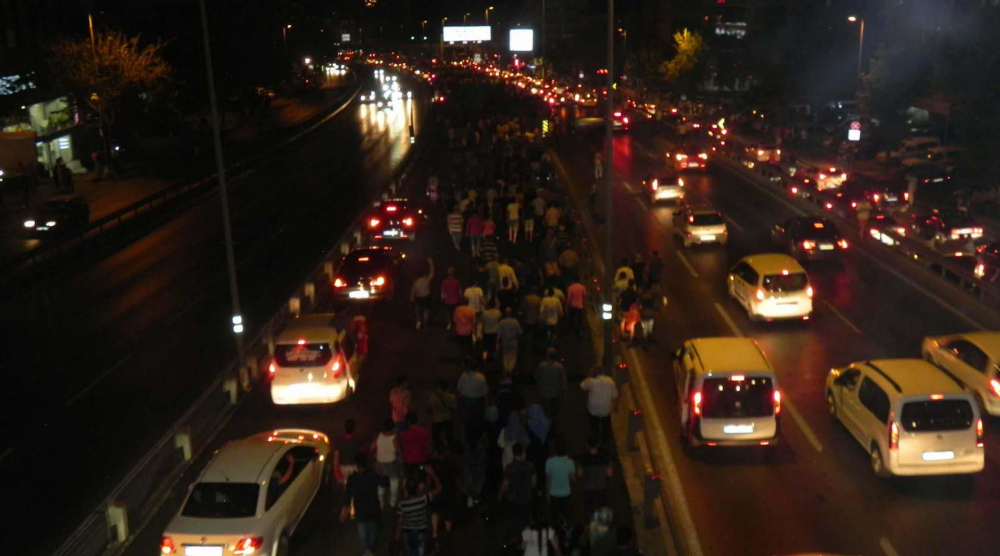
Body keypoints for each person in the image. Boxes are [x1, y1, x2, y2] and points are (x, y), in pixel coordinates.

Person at [343, 453, 389, 556]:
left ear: (356, 464)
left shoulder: (352, 478)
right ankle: (371, 549)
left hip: (360, 509)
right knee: (374, 531)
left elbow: (347, 495)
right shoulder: (373, 475)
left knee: (362, 532)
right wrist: (382, 472)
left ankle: (365, 551)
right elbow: (385, 483)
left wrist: (345, 510)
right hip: (373, 508)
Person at [396, 468, 442, 556]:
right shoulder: (423, 500)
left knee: (411, 551)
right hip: (421, 531)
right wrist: (432, 474)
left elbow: (400, 522)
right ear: (417, 489)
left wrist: (396, 537)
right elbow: (439, 487)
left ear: (406, 490)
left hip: (409, 532)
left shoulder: (402, 505)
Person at [499, 443, 536, 538]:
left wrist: (501, 494)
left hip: (513, 499)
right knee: (526, 523)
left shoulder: (509, 468)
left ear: (513, 452)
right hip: (526, 498)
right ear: (523, 452)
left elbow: (505, 484)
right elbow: (534, 482)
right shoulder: (530, 466)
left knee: (514, 523)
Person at [581, 367, 619, 445]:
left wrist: (588, 378)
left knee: (594, 425)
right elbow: (615, 395)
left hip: (593, 409)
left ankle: (594, 442)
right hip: (606, 410)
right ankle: (605, 441)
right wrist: (615, 407)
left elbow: (582, 386)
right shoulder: (610, 381)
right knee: (606, 424)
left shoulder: (591, 381)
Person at [578, 436, 613, 516]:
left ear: (587, 445)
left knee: (589, 511)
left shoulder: (583, 458)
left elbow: (579, 474)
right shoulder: (606, 458)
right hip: (601, 488)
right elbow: (610, 474)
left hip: (588, 489)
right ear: (598, 445)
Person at [372, 418, 402, 508]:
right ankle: (392, 502)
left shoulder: (378, 436)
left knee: (380, 485)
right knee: (394, 482)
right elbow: (398, 450)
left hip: (380, 464)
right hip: (391, 464)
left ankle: (380, 503)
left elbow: (372, 447)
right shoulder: (394, 437)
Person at [545, 439, 576, 524]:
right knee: (565, 514)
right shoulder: (570, 462)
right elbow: (573, 479)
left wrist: (547, 494)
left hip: (553, 493)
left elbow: (548, 480)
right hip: (566, 493)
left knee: (554, 516)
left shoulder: (549, 462)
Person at [535, 348, 567, 425]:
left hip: (544, 393)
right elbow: (563, 380)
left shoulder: (542, 366)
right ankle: (553, 428)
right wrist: (564, 391)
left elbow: (537, 377)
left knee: (545, 412)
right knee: (554, 412)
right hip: (555, 393)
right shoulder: (559, 367)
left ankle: (546, 428)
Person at [399, 410, 432, 479]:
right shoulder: (424, 432)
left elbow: (402, 448)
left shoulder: (404, 435)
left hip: (409, 462)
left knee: (410, 480)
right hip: (422, 460)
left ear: (407, 422)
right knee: (421, 479)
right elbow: (428, 447)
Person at [428, 380, 456, 453]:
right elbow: (454, 407)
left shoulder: (434, 397)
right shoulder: (451, 396)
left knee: (436, 436)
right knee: (448, 434)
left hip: (437, 419)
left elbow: (429, 407)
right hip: (448, 418)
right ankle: (449, 449)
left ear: (439, 387)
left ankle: (438, 450)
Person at [525, 404, 551, 479]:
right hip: (544, 451)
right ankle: (541, 487)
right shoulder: (548, 423)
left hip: (532, 451)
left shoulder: (528, 425)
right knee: (542, 469)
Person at [333, 419, 361, 486]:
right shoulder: (356, 442)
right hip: (354, 468)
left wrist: (336, 471)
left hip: (343, 468)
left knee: (346, 489)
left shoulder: (340, 441)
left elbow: (336, 458)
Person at [496, 307, 523, 375]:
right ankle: (510, 370)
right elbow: (520, 332)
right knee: (512, 356)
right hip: (513, 341)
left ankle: (506, 369)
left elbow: (499, 334)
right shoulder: (515, 321)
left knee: (505, 356)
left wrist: (497, 343)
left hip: (505, 341)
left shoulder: (502, 322)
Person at [411, 257, 435, 329]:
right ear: (424, 274)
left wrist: (411, 297)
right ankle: (425, 322)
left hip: (418, 298)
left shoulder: (416, 282)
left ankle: (418, 322)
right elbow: (432, 272)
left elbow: (413, 290)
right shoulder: (427, 280)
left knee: (417, 310)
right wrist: (431, 263)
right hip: (426, 297)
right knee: (426, 310)